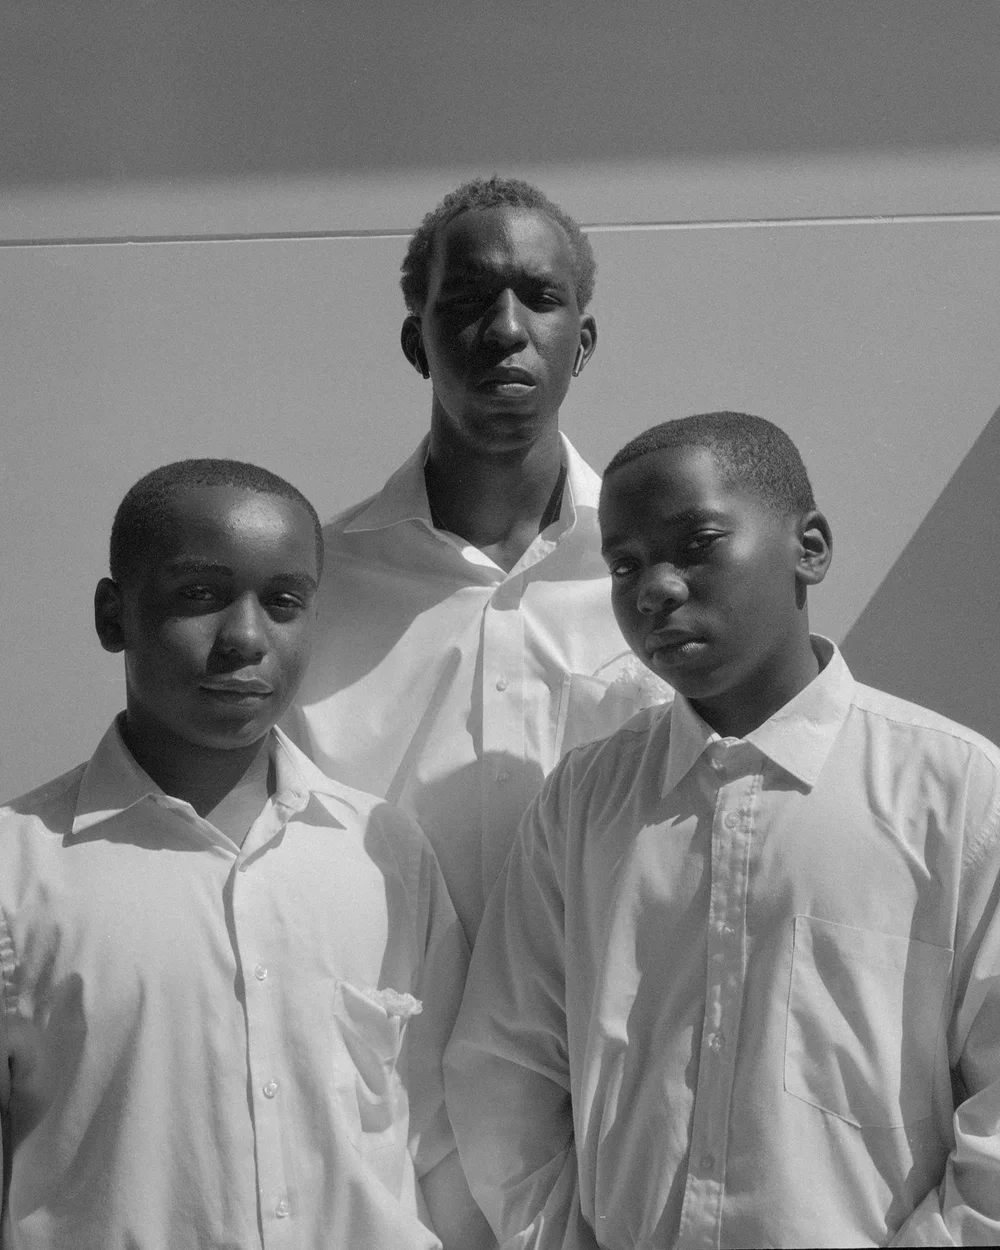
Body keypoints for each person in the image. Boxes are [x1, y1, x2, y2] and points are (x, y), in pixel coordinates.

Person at [444, 412, 1000, 1247]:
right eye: (625, 564)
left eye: (697, 544)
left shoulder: (958, 794)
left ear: (809, 548)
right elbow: (504, 1070)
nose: (654, 589)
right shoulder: (586, 803)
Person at [0, 459, 490, 1250]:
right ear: (113, 616)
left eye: (284, 602)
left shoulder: (383, 854)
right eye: (200, 594)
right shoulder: (18, 873)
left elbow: (445, 1147)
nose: (246, 639)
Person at [288, 176, 670, 942]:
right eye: (467, 300)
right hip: (383, 1018)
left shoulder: (662, 578)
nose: (505, 328)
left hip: (608, 1018)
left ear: (583, 343)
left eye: (541, 297)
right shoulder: (314, 587)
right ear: (416, 344)